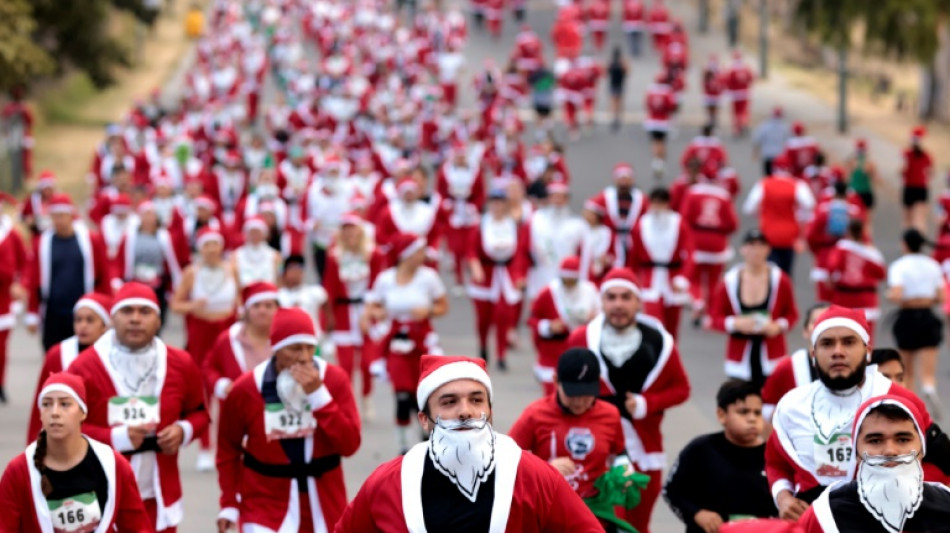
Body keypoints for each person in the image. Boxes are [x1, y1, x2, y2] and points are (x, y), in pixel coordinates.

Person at [334, 354, 605, 532]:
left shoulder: (532, 476)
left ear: (490, 412)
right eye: (449, 402)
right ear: (424, 420)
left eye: (476, 400)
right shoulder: (388, 483)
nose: (465, 411)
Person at [766, 306, 940, 520]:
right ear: (813, 354)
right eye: (827, 343)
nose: (838, 351)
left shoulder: (899, 399)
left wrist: (908, 504)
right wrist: (783, 497)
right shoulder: (791, 406)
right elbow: (776, 462)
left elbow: (939, 460)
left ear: (868, 352)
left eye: (848, 342)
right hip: (811, 522)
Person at [68, 282, 210, 532]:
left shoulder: (180, 362)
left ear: (158, 320)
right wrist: (116, 438)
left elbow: (200, 412)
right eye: (127, 311)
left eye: (145, 312)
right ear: (112, 318)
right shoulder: (84, 367)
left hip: (159, 498)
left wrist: (183, 431)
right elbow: (64, 430)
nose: (135, 319)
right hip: (100, 497)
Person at [567, 267, 692, 533]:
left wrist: (647, 404)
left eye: (626, 297)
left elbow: (682, 389)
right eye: (611, 297)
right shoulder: (581, 339)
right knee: (599, 525)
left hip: (644, 450)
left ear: (638, 301)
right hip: (593, 450)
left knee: (637, 526)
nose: (618, 305)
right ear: (602, 301)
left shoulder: (660, 343)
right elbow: (561, 393)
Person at [216, 307, 361, 533]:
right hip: (264, 503)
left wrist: (319, 397)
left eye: (310, 347)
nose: (304, 357)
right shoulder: (247, 388)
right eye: (294, 349)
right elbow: (227, 447)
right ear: (276, 349)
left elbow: (349, 445)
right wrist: (229, 504)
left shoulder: (334, 380)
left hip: (324, 502)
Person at [0, 373, 152, 532]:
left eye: (65, 404)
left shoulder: (113, 465)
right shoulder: (19, 471)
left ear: (83, 412)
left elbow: (137, 527)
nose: (54, 412)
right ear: (40, 414)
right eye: (47, 404)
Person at [510, 348, 640, 532]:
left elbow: (619, 453)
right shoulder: (535, 414)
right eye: (572, 394)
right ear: (556, 381)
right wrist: (544, 470)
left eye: (586, 394)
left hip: (596, 512)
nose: (579, 402)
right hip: (551, 511)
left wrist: (624, 470)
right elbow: (507, 460)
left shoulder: (610, 415)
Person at [798, 395, 950, 532]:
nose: (890, 451)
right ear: (856, 453)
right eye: (875, 441)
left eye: (903, 439)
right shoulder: (825, 516)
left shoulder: (946, 506)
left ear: (922, 450)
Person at [361, 232, 448, 453]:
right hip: (396, 342)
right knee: (401, 394)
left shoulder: (428, 277)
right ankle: (403, 446)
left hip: (422, 341)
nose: (423, 255)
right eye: (419, 251)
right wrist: (376, 314)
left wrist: (428, 310)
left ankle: (427, 438)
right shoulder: (386, 279)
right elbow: (371, 307)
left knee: (422, 393)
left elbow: (443, 306)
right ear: (406, 255)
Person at [664, 380, 778, 533]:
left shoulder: (774, 456)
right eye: (743, 412)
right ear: (721, 415)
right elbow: (672, 491)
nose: (752, 419)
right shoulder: (700, 450)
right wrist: (697, 513)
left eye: (757, 413)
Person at [201, 281, 280, 472]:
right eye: (257, 305)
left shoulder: (287, 339)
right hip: (239, 420)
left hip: (278, 417)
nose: (262, 311)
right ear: (247, 310)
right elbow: (208, 367)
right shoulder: (228, 339)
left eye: (268, 305)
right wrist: (220, 384)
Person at [706, 230, 799, 388]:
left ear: (768, 249)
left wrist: (778, 326)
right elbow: (714, 317)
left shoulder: (781, 280)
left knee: (771, 400)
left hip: (772, 355)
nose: (756, 251)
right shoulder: (729, 282)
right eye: (751, 245)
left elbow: (792, 314)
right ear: (742, 249)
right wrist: (735, 323)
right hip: (739, 357)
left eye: (761, 245)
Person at [26, 193, 111, 351]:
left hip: (84, 312)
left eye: (62, 215)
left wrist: (107, 307)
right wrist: (32, 313)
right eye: (55, 216)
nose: (59, 220)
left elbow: (103, 274)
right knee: (54, 354)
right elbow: (34, 279)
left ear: (71, 215)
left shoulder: (90, 240)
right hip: (53, 312)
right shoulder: (43, 243)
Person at [27, 292, 114, 443]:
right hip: (61, 437)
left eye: (90, 320)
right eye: (78, 319)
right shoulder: (58, 354)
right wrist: (34, 442)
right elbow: (40, 404)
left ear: (104, 325)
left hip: (103, 437)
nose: (83, 325)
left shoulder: (114, 356)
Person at [322, 215, 387, 417]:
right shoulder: (335, 257)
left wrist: (373, 313)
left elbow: (379, 286)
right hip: (343, 315)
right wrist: (328, 318)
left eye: (353, 229)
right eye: (345, 229)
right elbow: (329, 288)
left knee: (367, 362)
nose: (350, 233)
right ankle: (348, 403)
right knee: (346, 365)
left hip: (367, 313)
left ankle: (367, 396)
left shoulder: (373, 254)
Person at [466, 189, 528, 369]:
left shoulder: (513, 226)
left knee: (503, 316)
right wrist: (475, 267)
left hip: (506, 275)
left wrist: (519, 275)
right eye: (494, 202)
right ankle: (483, 346)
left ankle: (501, 354)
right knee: (483, 318)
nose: (497, 206)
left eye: (500, 202)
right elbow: (471, 250)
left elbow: (520, 253)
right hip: (486, 275)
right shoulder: (479, 225)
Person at [887, 228, 944, 416]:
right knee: (928, 370)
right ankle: (929, 386)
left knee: (907, 370)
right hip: (928, 317)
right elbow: (941, 297)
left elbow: (897, 294)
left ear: (905, 244)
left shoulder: (899, 266)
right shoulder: (933, 265)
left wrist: (890, 296)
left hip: (907, 318)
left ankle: (911, 405)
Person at [527, 257, 600, 395]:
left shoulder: (590, 291)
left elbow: (601, 315)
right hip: (553, 352)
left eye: (572, 280)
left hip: (581, 351)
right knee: (552, 394)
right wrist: (549, 326)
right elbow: (532, 319)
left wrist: (594, 318)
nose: (568, 284)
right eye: (565, 280)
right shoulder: (549, 292)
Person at [628, 187, 694, 339]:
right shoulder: (641, 225)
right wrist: (633, 281)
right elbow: (633, 257)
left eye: (661, 203)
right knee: (653, 324)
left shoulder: (679, 223)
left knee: (672, 328)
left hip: (673, 280)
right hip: (650, 280)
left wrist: (684, 278)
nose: (657, 207)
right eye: (654, 203)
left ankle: (671, 352)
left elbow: (690, 253)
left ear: (668, 204)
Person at [112, 201, 186, 326]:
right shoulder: (129, 237)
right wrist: (118, 279)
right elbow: (120, 259)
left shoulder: (164, 237)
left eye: (151, 215)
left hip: (157, 284)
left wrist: (173, 286)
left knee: (156, 318)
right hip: (135, 282)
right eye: (145, 215)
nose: (148, 218)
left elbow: (172, 262)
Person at [742, 155, 816, 274]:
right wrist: (800, 218)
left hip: (768, 234)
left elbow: (748, 208)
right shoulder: (797, 185)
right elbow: (810, 205)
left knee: (770, 271)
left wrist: (763, 212)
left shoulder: (764, 184)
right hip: (790, 235)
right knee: (786, 271)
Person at [679, 177, 738, 325]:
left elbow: (684, 218)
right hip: (717, 243)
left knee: (694, 278)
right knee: (713, 281)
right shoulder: (723, 196)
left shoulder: (693, 193)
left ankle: (698, 301)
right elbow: (732, 224)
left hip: (695, 241)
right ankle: (710, 313)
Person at [760, 302, 830, 421]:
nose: (822, 327)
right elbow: (765, 407)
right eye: (816, 322)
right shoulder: (787, 368)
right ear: (805, 331)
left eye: (828, 321)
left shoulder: (854, 367)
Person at [826, 219, 885, 340]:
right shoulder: (872, 253)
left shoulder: (841, 249)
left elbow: (831, 268)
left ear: (848, 231)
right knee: (866, 339)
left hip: (844, 299)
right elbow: (882, 274)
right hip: (867, 300)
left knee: (844, 338)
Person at [526, 183, 587, 299]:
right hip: (541, 275)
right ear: (548, 198)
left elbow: (583, 255)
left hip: (567, 279)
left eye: (562, 197)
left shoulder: (577, 224)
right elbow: (525, 248)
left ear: (567, 199)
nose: (558, 201)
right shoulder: (536, 220)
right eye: (555, 196)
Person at [585, 163, 648, 269]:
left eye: (626, 178)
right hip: (611, 240)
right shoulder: (607, 196)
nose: (624, 182)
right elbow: (590, 208)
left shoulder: (641, 198)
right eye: (621, 178)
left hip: (633, 240)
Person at [0, 192, 29, 403]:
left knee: (1, 346)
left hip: (4, 299)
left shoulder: (11, 234)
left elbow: (26, 263)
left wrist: (21, 284)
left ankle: (0, 382)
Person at [232, 216, 282, 288]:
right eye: (252, 232)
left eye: (257, 232)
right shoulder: (236, 256)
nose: (255, 235)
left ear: (264, 234)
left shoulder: (276, 256)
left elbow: (279, 280)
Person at [644, 72, 677, 178]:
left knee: (655, 142)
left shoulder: (651, 91)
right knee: (662, 142)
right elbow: (672, 106)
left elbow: (647, 104)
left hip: (652, 121)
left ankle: (655, 162)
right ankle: (661, 162)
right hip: (663, 122)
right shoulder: (667, 92)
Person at [901, 126, 933, 231]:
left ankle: (908, 240)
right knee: (920, 218)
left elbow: (903, 171)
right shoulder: (926, 155)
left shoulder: (907, 154)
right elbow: (931, 172)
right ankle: (919, 239)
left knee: (908, 219)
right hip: (921, 187)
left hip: (909, 187)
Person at [752, 107, 791, 177]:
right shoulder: (784, 127)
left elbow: (757, 139)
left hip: (768, 155)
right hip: (779, 156)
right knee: (779, 179)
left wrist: (755, 152)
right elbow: (789, 142)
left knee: (768, 178)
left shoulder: (765, 126)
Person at [843, 138, 879, 213]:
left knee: (854, 214)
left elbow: (846, 177)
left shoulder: (852, 162)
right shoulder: (869, 163)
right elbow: (876, 179)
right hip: (864, 191)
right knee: (866, 216)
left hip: (855, 191)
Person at [724, 51, 754, 137]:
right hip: (744, 93)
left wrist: (728, 90)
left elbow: (728, 81)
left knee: (736, 112)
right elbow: (751, 79)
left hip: (735, 94)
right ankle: (744, 123)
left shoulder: (732, 70)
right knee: (743, 111)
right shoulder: (746, 68)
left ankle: (737, 128)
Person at [607, 47, 628, 132]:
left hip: (614, 84)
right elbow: (627, 71)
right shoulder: (621, 63)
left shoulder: (611, 63)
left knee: (614, 101)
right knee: (618, 102)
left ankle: (614, 116)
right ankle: (617, 116)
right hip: (619, 84)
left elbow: (606, 72)